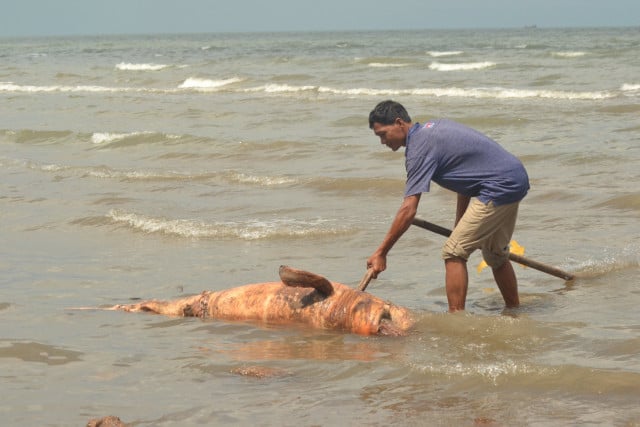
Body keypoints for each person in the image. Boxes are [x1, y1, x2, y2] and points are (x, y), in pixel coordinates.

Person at [366, 100, 530, 311]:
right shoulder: (431, 130)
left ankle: (456, 319)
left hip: (499, 185)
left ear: (399, 123)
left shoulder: (419, 147)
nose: (382, 142)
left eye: (383, 134)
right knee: (495, 254)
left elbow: (408, 209)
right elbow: (466, 179)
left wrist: (381, 253)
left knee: (453, 252)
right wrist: (459, 222)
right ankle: (514, 312)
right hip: (514, 177)